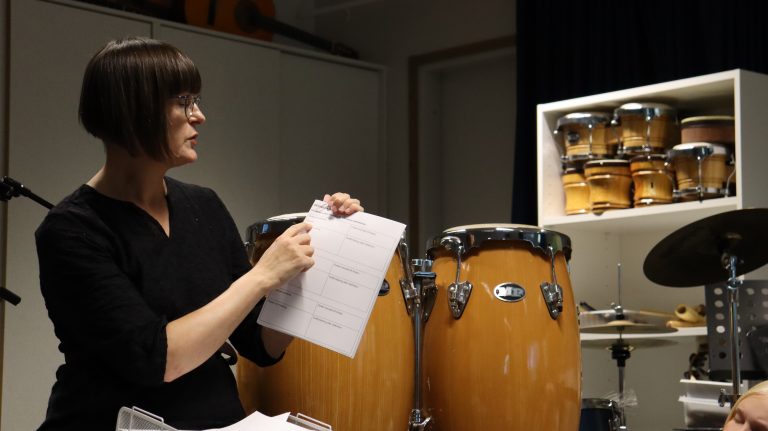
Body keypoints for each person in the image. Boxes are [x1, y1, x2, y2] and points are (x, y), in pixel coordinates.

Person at [35, 36, 363, 430]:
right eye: (183, 101)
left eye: (197, 101)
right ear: (135, 110)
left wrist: (324, 246)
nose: (199, 116)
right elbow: (157, 359)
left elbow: (260, 343)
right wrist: (262, 276)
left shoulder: (203, 206)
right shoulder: (72, 230)